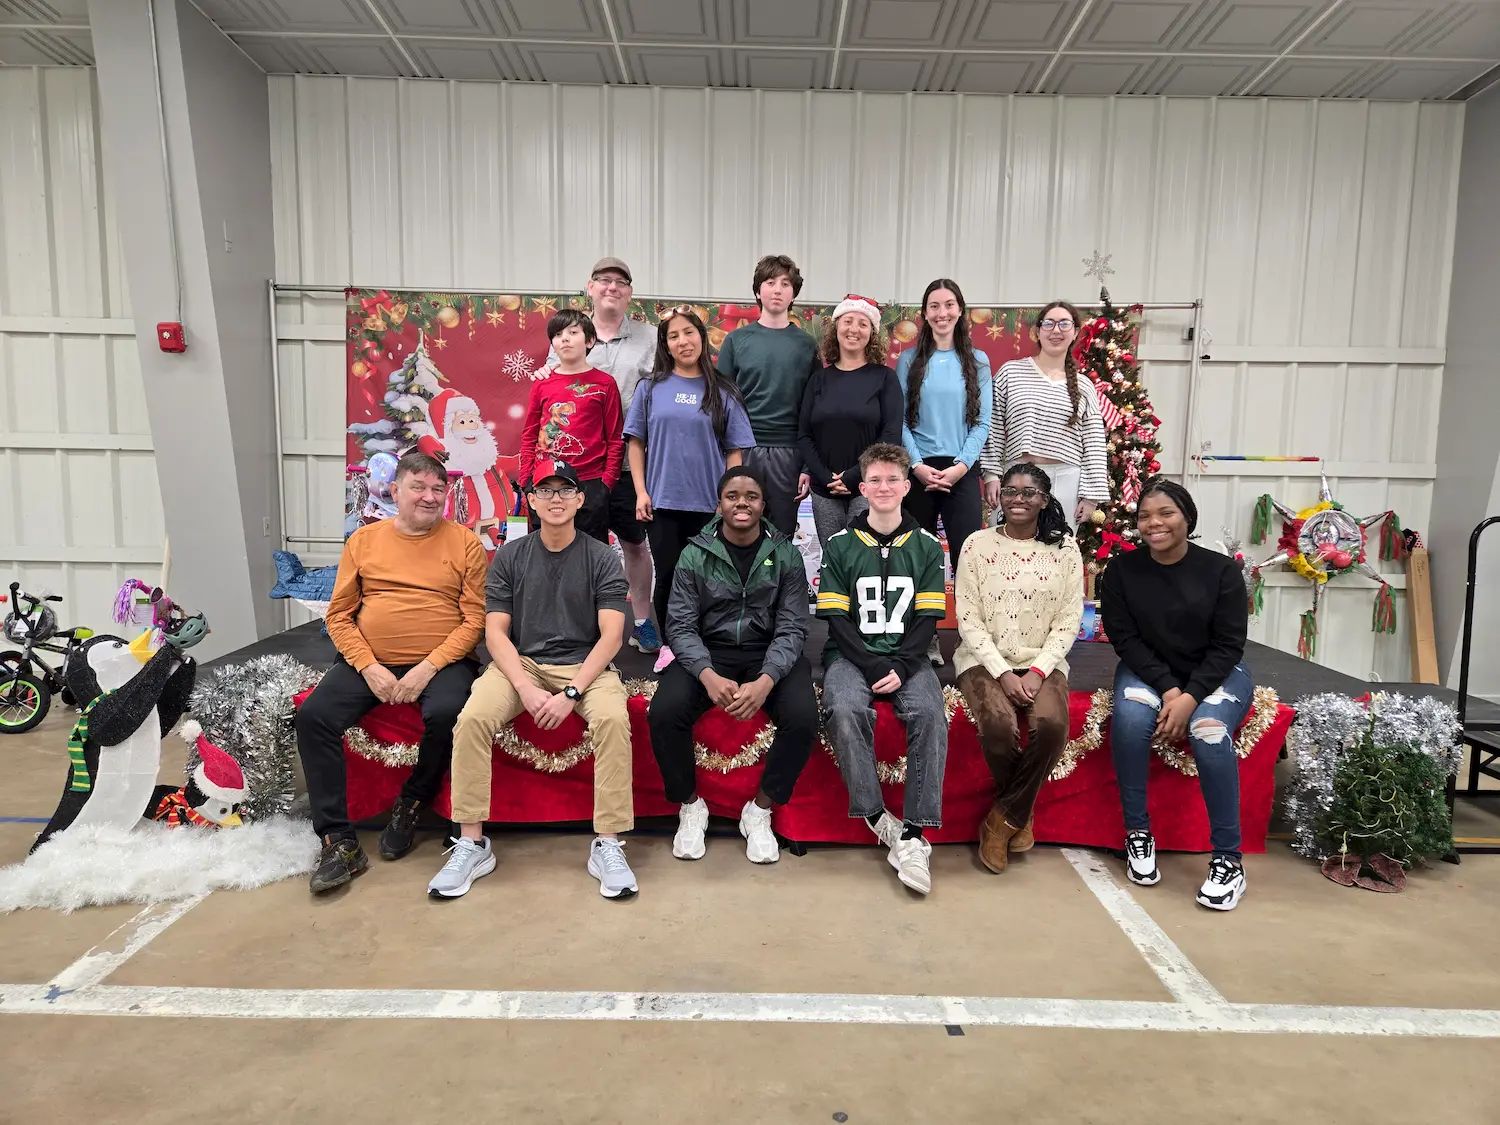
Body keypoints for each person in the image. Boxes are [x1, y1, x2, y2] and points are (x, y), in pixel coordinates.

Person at [433, 460, 638, 901]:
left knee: (613, 720)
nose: (556, 499)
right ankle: (471, 841)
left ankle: (608, 842)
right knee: (472, 718)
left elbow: (612, 636)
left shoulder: (602, 556)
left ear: (581, 500)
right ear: (531, 500)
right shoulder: (510, 555)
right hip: (521, 665)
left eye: (565, 490)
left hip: (586, 666)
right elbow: (495, 633)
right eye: (545, 491)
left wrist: (571, 692)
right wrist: (525, 688)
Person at [297, 449, 486, 894]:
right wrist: (368, 667)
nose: (429, 497)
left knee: (448, 713)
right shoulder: (364, 542)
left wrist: (429, 667)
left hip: (443, 662)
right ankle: (338, 840)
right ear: (394, 490)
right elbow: (339, 616)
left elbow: (474, 619)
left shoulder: (465, 543)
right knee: (314, 717)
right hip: (369, 661)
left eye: (438, 489)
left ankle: (413, 800)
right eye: (417, 487)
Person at [647, 468, 816, 864]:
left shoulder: (786, 553)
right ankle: (691, 807)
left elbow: (793, 626)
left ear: (763, 504)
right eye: (733, 496)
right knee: (664, 713)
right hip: (711, 653)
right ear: (719, 503)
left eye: (751, 496)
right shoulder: (695, 553)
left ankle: (759, 812)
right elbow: (680, 626)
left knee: (803, 716)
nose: (742, 503)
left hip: (767, 653)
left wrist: (767, 679)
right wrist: (706, 674)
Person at [1100, 477, 1253, 912]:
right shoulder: (1123, 570)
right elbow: (1124, 639)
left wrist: (1190, 699)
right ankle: (1138, 834)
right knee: (1130, 722)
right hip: (1150, 672)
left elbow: (1228, 646)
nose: (1155, 523)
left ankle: (1228, 860)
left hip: (1216, 673)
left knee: (1207, 731)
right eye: (1145, 516)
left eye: (1166, 513)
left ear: (1187, 517)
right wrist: (1169, 689)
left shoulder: (1220, 571)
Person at [818, 443, 950, 896]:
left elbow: (928, 618)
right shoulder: (839, 545)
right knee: (842, 706)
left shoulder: (928, 546)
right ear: (862, 487)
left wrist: (899, 662)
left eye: (892, 479)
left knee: (932, 713)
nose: (884, 487)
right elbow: (836, 618)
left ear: (906, 486)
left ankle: (914, 833)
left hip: (907, 657)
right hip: (851, 656)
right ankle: (878, 818)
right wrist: (873, 663)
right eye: (874, 479)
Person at [953, 463, 1083, 874]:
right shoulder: (976, 544)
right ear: (998, 497)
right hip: (981, 660)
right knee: (997, 726)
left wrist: (1038, 671)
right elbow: (968, 617)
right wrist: (1002, 672)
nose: (1018, 499)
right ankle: (1021, 817)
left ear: (1045, 500)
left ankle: (1001, 819)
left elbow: (1069, 618)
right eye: (1010, 490)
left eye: (1029, 492)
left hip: (1042, 661)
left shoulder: (1065, 549)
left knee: (1051, 726)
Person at [536, 257, 659, 656]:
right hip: (574, 473)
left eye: (620, 282)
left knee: (635, 545)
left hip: (628, 467)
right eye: (604, 281)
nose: (612, 287)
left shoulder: (651, 338)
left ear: (629, 293)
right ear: (589, 287)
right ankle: (579, 626)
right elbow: (551, 389)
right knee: (573, 548)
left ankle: (642, 623)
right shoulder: (567, 335)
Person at [626, 307, 755, 673]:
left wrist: (727, 502)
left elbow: (735, 451)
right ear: (665, 345)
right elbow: (636, 443)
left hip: (708, 505)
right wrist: (641, 491)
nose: (683, 341)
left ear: (702, 336)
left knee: (710, 579)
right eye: (673, 336)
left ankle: (706, 645)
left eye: (689, 333)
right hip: (663, 502)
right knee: (668, 576)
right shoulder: (650, 388)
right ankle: (670, 645)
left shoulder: (723, 390)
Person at [896, 278, 992, 667]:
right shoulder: (908, 361)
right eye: (934, 306)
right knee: (917, 558)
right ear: (924, 314)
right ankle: (925, 638)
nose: (942, 313)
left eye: (949, 305)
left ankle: (972, 642)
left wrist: (961, 468)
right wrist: (917, 466)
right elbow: (899, 420)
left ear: (960, 310)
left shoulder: (978, 361)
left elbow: (982, 422)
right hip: (918, 471)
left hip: (961, 470)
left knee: (968, 560)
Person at [715, 254, 820, 536]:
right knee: (740, 531)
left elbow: (815, 409)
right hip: (744, 450)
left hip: (789, 453)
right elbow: (721, 403)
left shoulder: (807, 345)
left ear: (794, 292)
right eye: (770, 282)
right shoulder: (736, 341)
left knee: (781, 534)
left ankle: (780, 583)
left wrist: (807, 465)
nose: (777, 289)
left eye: (785, 283)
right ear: (758, 290)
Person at [981, 300, 1110, 531]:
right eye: (1049, 323)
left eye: (1064, 324)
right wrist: (991, 475)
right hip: (1015, 478)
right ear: (1038, 331)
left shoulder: (1084, 386)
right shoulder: (1010, 373)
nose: (1056, 330)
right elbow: (993, 428)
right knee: (1005, 546)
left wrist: (1091, 497)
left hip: (1066, 479)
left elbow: (1094, 443)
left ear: (1075, 333)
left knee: (1057, 549)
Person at [797, 293, 903, 547]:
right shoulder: (818, 380)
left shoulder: (885, 378)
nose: (854, 329)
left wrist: (854, 476)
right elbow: (804, 435)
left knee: (867, 559)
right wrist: (825, 478)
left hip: (869, 488)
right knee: (833, 560)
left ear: (872, 334)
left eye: (862, 324)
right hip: (825, 491)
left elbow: (890, 436)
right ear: (836, 329)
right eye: (847, 321)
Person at [518, 309, 624, 544]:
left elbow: (615, 439)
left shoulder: (605, 384)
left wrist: (605, 485)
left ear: (589, 340)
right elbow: (529, 435)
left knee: (590, 558)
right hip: (544, 482)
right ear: (552, 344)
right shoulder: (542, 384)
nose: (564, 338)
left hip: (590, 484)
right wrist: (527, 481)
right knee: (545, 555)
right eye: (557, 334)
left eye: (573, 332)